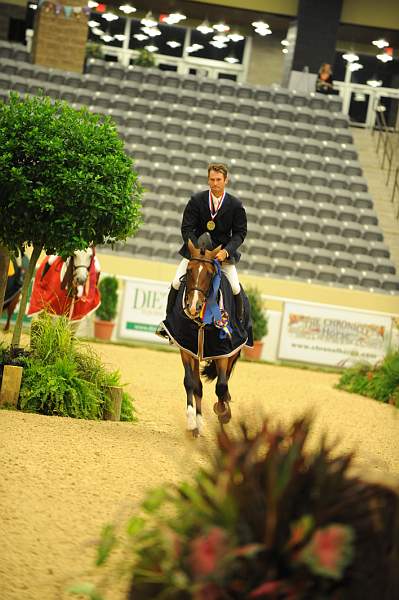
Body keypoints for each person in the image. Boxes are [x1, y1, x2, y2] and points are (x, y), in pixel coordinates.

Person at [157, 162, 247, 334]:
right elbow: (186, 228)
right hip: (197, 254)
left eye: (219, 180)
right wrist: (195, 249)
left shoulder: (235, 205)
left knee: (235, 287)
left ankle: (238, 326)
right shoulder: (196, 200)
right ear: (208, 180)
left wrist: (226, 251)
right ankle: (168, 325)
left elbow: (240, 233)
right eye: (212, 179)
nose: (215, 183)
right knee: (176, 282)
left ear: (226, 180)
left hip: (222, 255)